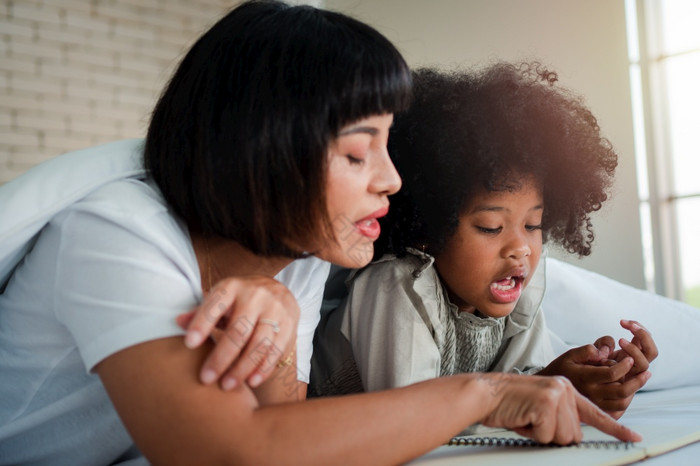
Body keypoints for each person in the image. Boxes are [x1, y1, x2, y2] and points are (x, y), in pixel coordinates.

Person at [0, 3, 639, 464]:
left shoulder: (298, 256)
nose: (392, 180)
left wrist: (277, 321)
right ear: (265, 150)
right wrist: (484, 394)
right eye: (359, 154)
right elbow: (229, 454)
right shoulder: (116, 235)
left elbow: (287, 431)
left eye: (388, 149)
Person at [309, 63, 658, 422]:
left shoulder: (519, 291)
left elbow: (522, 385)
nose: (521, 248)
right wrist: (545, 389)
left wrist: (582, 382)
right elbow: (413, 421)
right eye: (491, 227)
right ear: (428, 230)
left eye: (533, 224)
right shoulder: (397, 287)